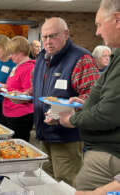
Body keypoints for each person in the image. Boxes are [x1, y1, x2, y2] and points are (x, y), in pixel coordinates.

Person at [58, 0, 120, 191]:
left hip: (107, 153)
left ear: (117, 20)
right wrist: (85, 103)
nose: (97, 32)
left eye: (99, 24)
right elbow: (101, 94)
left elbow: (107, 113)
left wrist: (72, 119)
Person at [32, 17, 100, 186]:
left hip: (67, 136)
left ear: (66, 34)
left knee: (67, 183)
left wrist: (67, 112)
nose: (48, 41)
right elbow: (40, 89)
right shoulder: (42, 57)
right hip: (43, 132)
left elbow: (93, 98)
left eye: (52, 36)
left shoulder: (81, 58)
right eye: (44, 37)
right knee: (46, 181)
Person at [2, 36, 35, 142]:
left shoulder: (29, 68)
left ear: (20, 52)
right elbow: (14, 86)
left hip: (20, 115)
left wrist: (17, 95)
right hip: (10, 112)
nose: (10, 57)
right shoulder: (17, 66)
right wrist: (3, 87)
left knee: (19, 146)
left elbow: (30, 93)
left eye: (12, 53)